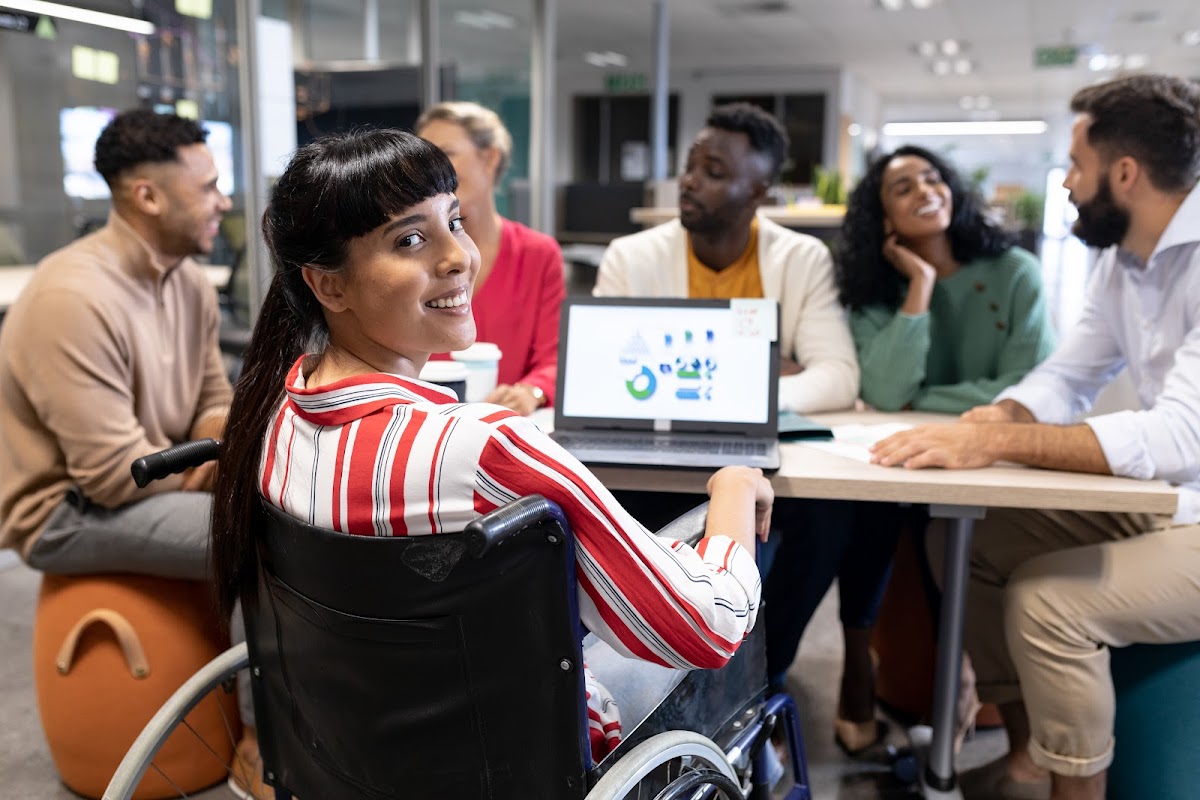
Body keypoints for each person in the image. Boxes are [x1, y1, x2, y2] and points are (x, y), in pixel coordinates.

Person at [209, 128, 774, 772]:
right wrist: (732, 490)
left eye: (454, 221)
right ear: (328, 286)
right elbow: (706, 627)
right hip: (508, 761)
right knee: (736, 579)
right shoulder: (483, 451)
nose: (460, 257)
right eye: (410, 240)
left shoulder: (277, 418)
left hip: (363, 754)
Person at [870, 74, 1200, 800]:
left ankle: (1074, 791)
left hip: (1192, 502)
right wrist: (1003, 418)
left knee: (1047, 600)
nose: (1069, 188)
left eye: (1076, 169)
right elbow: (1067, 375)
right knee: (971, 542)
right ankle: (1026, 759)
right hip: (1173, 503)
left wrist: (998, 446)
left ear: (1124, 174)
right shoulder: (1126, 261)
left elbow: (1181, 435)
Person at [767, 146, 1057, 756]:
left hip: (996, 462)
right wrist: (919, 289)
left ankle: (956, 698)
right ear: (884, 220)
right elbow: (883, 390)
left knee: (943, 535)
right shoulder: (877, 292)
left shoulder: (1015, 272)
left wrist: (924, 399)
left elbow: (1028, 385)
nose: (926, 189)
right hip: (908, 455)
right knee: (851, 511)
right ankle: (822, 668)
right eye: (903, 187)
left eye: (932, 176)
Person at [0, 109, 232, 579]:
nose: (224, 202)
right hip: (65, 511)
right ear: (148, 197)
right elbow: (113, 477)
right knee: (266, 535)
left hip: (158, 474)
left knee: (285, 516)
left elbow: (214, 400)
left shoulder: (189, 281)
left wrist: (214, 450)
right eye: (207, 187)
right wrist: (215, 465)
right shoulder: (70, 298)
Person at [593, 101, 859, 414]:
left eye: (713, 172)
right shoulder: (629, 258)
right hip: (656, 429)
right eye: (689, 167)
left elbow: (839, 377)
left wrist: (713, 393)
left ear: (757, 193)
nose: (689, 181)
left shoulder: (801, 259)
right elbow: (599, 369)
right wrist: (751, 378)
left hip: (755, 437)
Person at [415, 101, 565, 415]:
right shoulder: (410, 256)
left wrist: (530, 392)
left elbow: (553, 359)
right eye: (424, 158)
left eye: (445, 154)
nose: (431, 170)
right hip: (426, 427)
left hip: (509, 426)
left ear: (490, 159)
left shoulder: (538, 253)